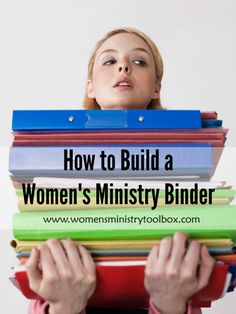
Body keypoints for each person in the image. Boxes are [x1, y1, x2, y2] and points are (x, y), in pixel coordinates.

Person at [27, 28, 215, 314]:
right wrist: (64, 307)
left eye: (139, 62)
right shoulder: (49, 166)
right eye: (109, 61)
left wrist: (170, 305)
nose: (124, 66)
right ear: (90, 87)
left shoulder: (188, 170)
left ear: (156, 88)